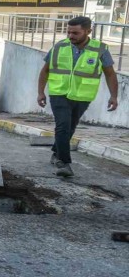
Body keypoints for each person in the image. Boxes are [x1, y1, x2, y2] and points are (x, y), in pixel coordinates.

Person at [37, 16, 119, 177]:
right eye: (68, 32)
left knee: (71, 127)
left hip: (83, 96)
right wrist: (40, 92)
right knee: (63, 125)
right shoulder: (59, 47)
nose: (70, 36)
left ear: (88, 31)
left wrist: (114, 96)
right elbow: (45, 70)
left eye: (75, 33)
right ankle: (64, 163)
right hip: (59, 93)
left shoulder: (100, 49)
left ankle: (56, 151)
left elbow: (110, 74)